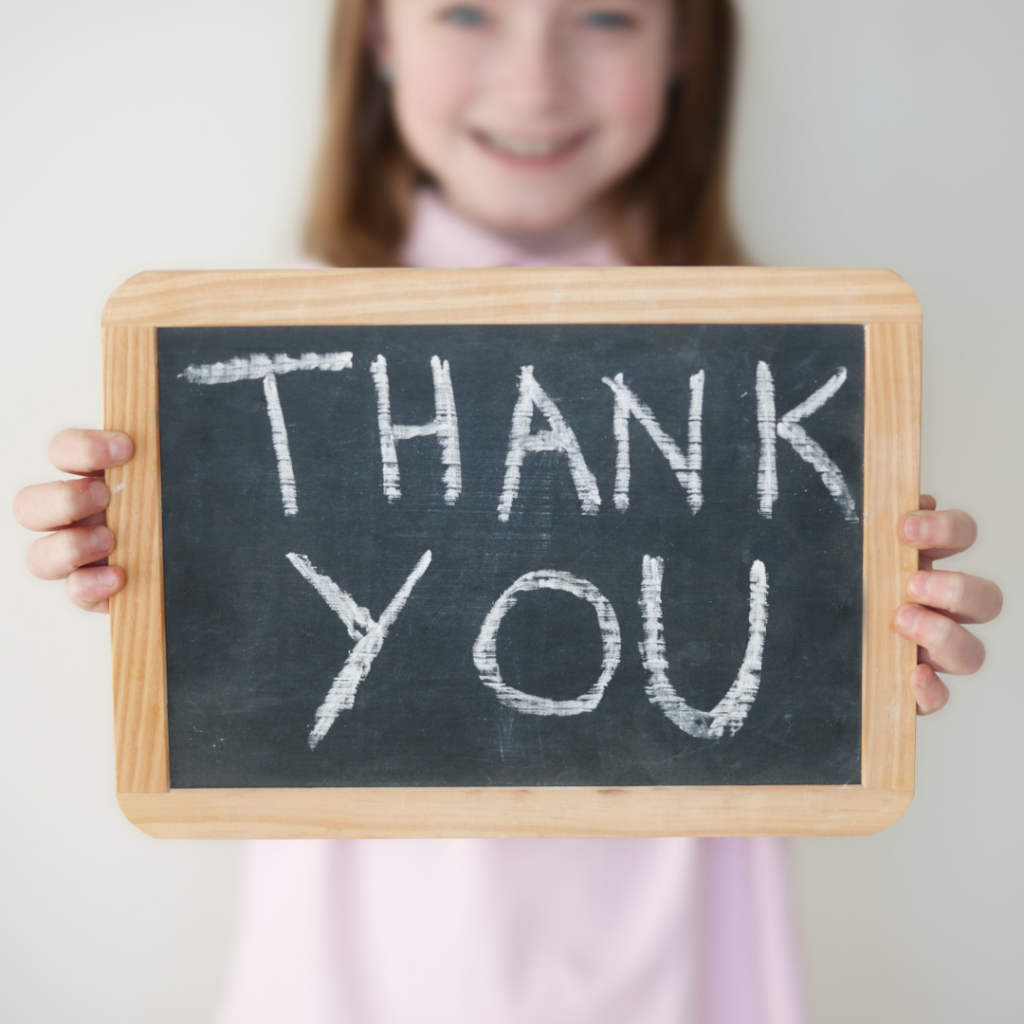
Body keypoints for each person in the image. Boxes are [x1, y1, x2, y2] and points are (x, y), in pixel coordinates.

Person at [12, 0, 1003, 1020]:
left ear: (685, 46)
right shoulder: (255, 358)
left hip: (679, 971)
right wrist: (121, 549)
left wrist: (877, 625)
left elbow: (801, 675)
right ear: (380, 37)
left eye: (605, 17)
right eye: (468, 12)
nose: (534, 82)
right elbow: (226, 653)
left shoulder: (772, 370)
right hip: (357, 974)